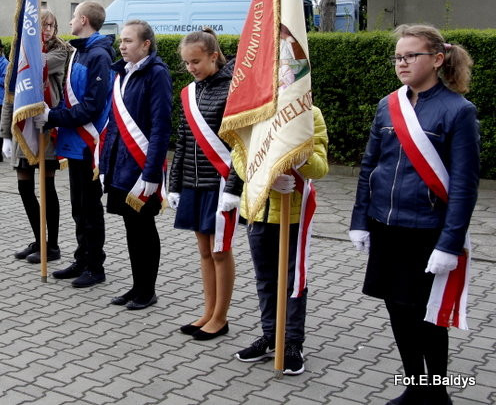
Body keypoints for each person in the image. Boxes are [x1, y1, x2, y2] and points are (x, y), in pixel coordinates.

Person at [350, 25, 479, 405]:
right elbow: (369, 165)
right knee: (397, 310)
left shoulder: (458, 111)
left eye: (411, 56)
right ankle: (414, 387)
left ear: (437, 60)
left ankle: (436, 394)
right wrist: (360, 220)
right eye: (398, 57)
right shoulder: (387, 105)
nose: (401, 63)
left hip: (426, 233)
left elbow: (464, 186)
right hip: (385, 226)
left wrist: (449, 244)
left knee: (427, 317)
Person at [233, 108, 328, 374]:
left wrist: (300, 158)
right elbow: (238, 154)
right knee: (265, 279)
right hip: (258, 209)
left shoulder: (309, 114)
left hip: (293, 213)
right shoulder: (254, 109)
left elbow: (321, 166)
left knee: (293, 282)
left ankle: (293, 343)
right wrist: (265, 177)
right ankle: (271, 336)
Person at [36, 1, 114, 288]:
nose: (69, 21)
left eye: (72, 17)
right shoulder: (80, 52)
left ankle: (95, 266)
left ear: (83, 19)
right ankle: (82, 258)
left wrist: (53, 116)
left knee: (91, 207)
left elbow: (93, 106)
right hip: (73, 142)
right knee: (78, 207)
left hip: (88, 142)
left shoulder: (98, 55)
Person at [168, 29, 237, 340]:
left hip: (220, 184)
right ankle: (207, 311)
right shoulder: (190, 92)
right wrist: (175, 184)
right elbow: (182, 141)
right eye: (186, 63)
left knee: (220, 251)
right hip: (194, 183)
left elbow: (242, 145)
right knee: (204, 251)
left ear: (213, 55)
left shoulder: (233, 89)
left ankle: (220, 318)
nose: (190, 68)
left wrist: (235, 188)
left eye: (195, 61)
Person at [101, 20, 171, 310]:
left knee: (144, 226)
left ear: (146, 45)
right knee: (131, 226)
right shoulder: (122, 72)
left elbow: (161, 125)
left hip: (142, 165)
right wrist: (106, 163)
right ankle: (136, 285)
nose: (122, 45)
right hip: (121, 164)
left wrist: (152, 172)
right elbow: (115, 125)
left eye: (129, 41)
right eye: (121, 41)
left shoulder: (156, 74)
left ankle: (147, 290)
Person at [2, 10, 71, 264]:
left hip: (46, 129)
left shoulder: (60, 51)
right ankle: (38, 238)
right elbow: (10, 96)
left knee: (48, 187)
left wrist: (23, 51)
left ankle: (52, 245)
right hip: (23, 127)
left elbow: (36, 65)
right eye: (43, 25)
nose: (48, 30)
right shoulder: (20, 54)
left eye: (52, 25)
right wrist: (5, 134)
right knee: (24, 186)